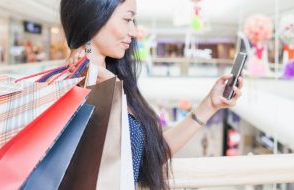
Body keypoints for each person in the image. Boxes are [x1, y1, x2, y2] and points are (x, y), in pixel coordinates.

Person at [60, 0, 243, 189]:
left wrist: (210, 105)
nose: (133, 31)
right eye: (127, 19)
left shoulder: (112, 79)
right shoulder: (73, 87)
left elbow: (150, 157)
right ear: (93, 17)